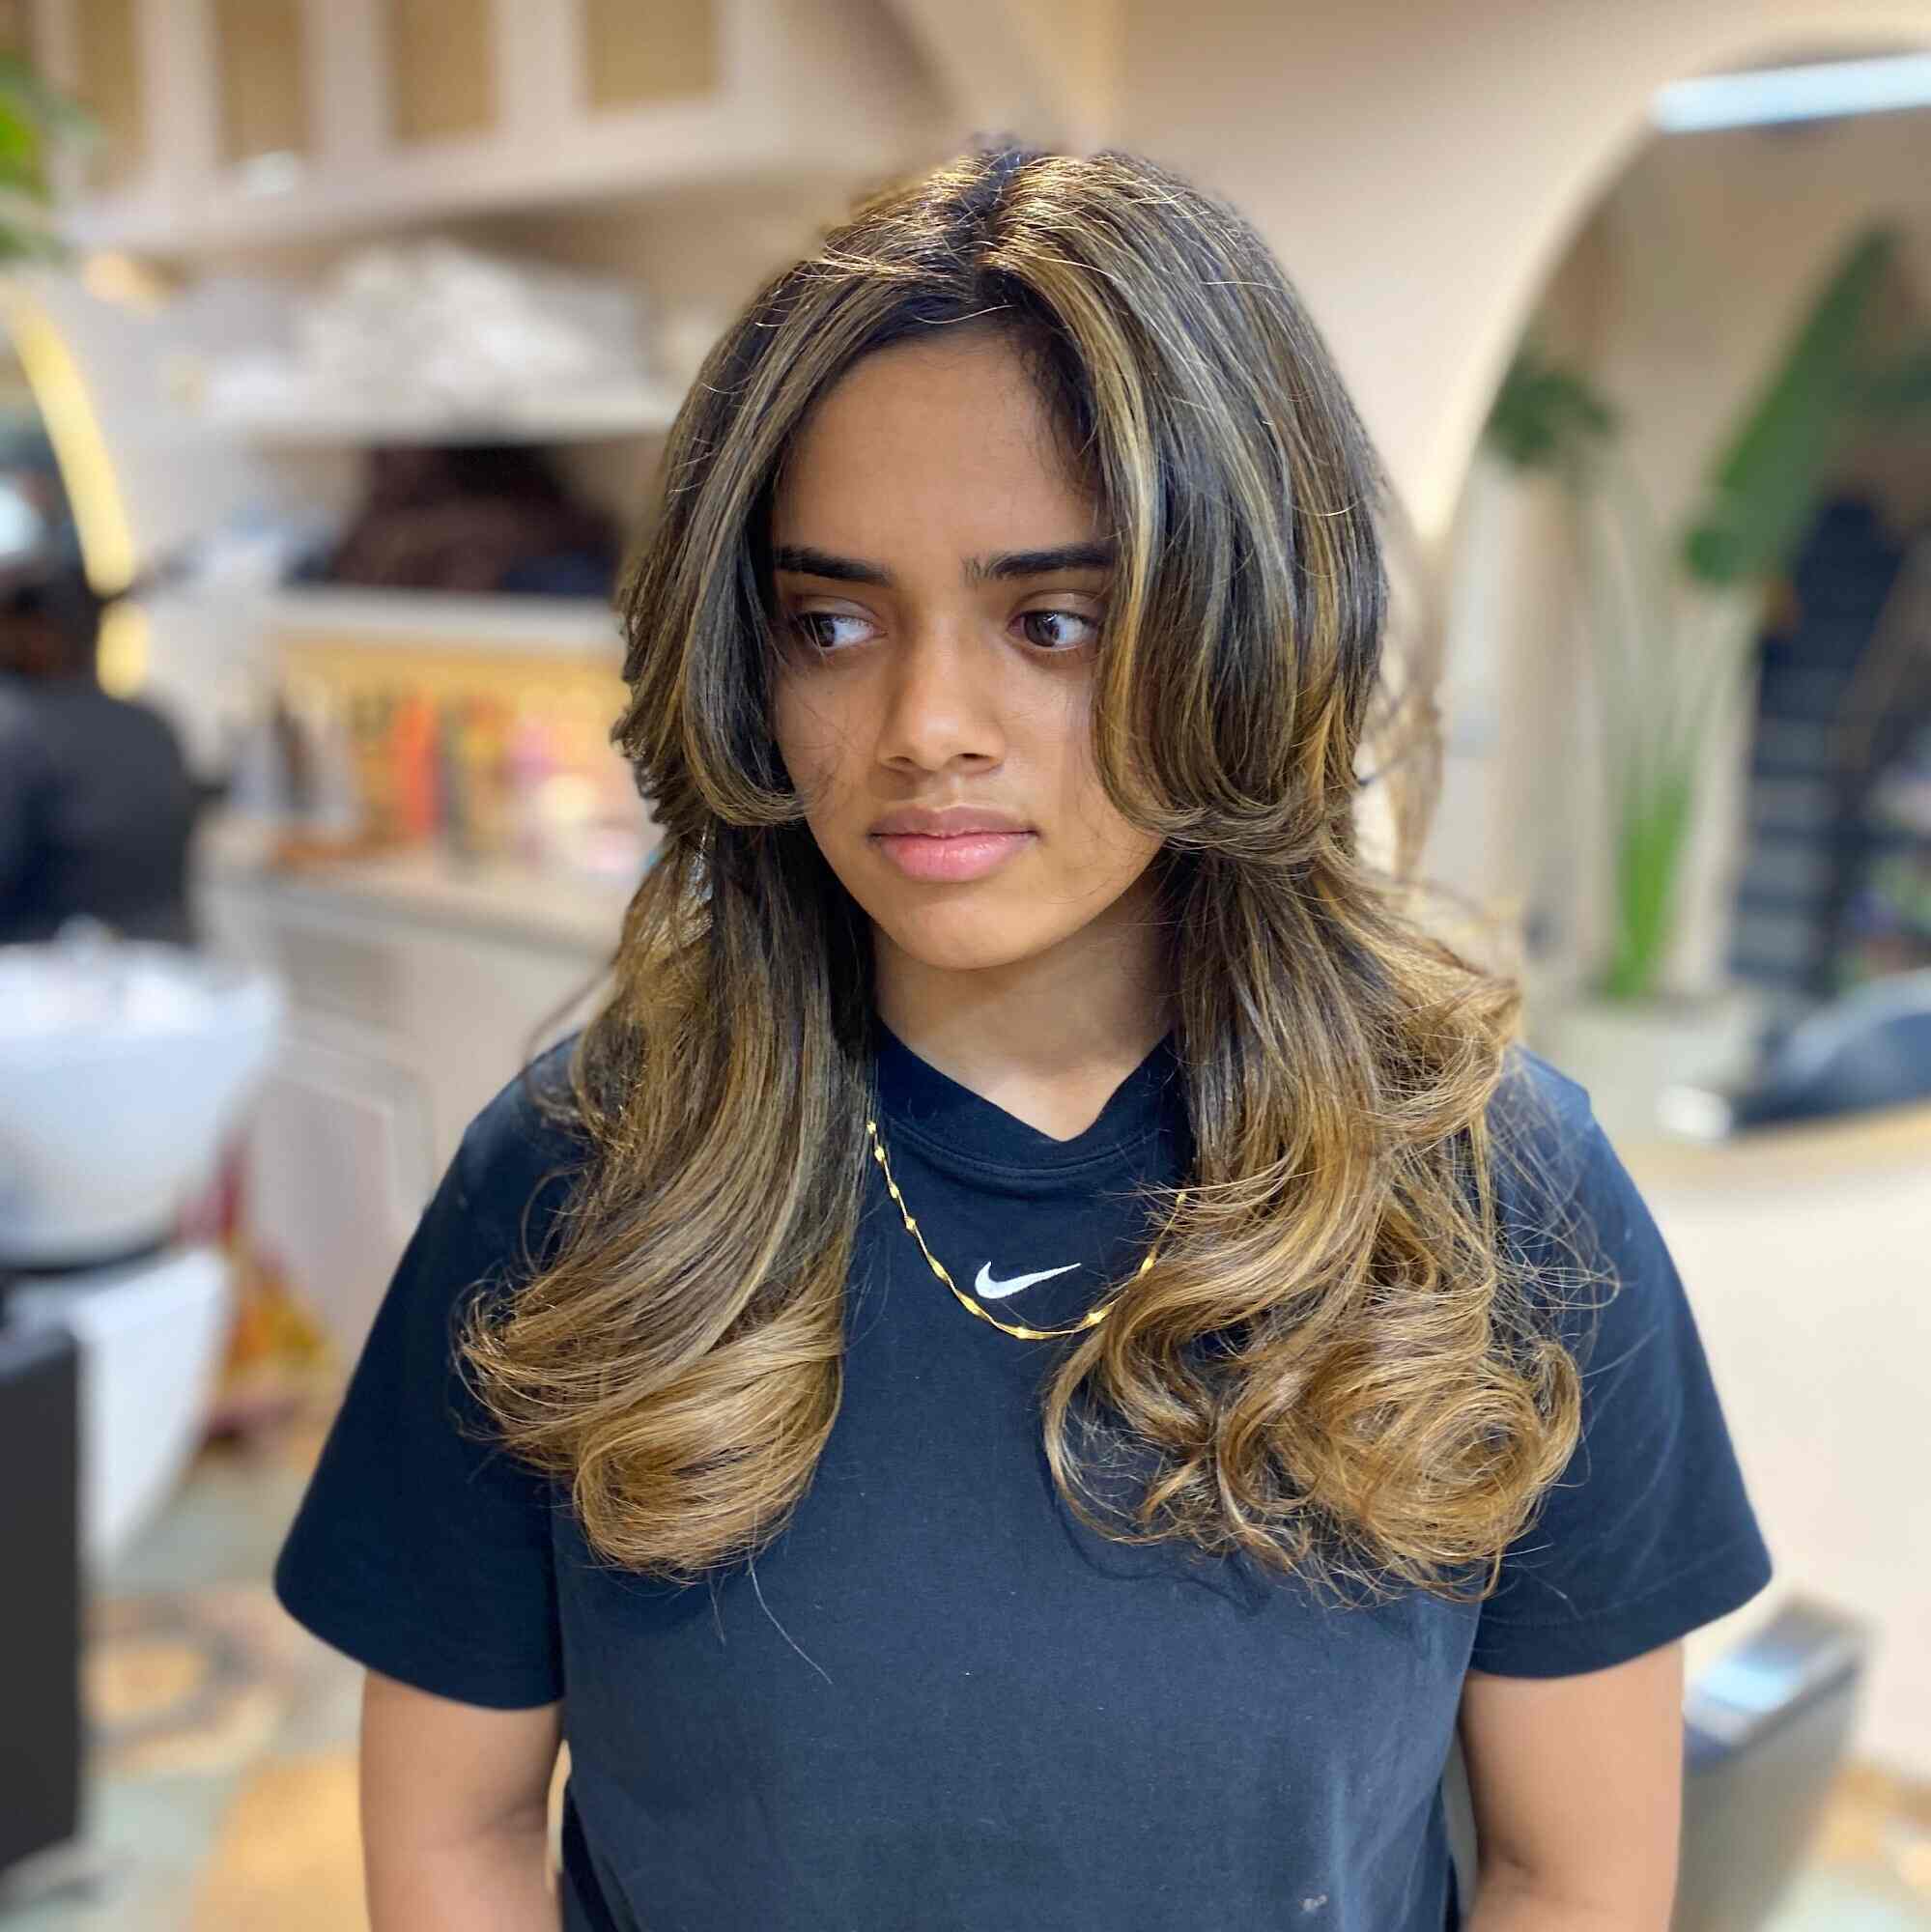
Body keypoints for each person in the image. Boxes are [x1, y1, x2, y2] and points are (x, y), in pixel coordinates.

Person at [273, 143, 1773, 1931]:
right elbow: (453, 1834)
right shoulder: (572, 1186)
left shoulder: (1497, 1199)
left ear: (1238, 629)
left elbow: (1570, 1873)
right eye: (833, 623)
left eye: (1049, 623)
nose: (925, 725)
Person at [0, 553, 201, 947]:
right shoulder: (155, 724)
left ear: (36, 633)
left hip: (41, 966)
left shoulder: (17, 732)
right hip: (165, 964)